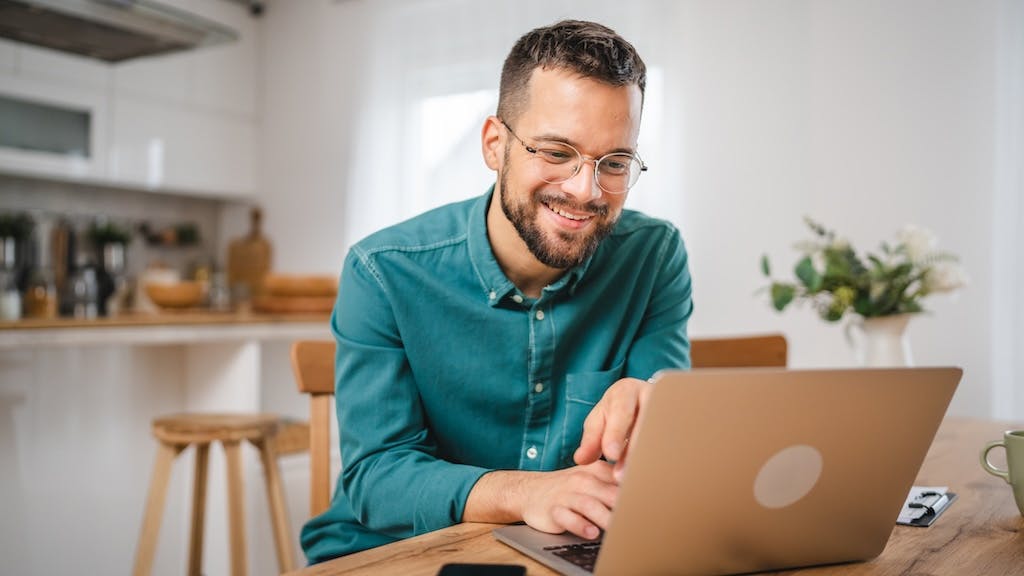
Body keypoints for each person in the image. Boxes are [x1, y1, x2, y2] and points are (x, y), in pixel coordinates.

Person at [301, 19, 693, 563]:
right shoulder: (383, 270)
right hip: (395, 551)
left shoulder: (654, 255)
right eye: (556, 152)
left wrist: (654, 404)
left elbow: (663, 443)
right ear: (494, 145)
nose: (586, 190)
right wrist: (529, 493)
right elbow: (376, 477)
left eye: (615, 163)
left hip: (566, 550)